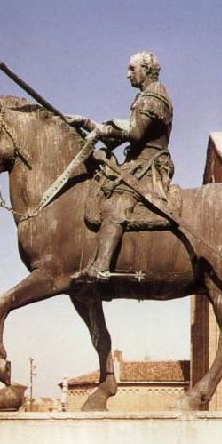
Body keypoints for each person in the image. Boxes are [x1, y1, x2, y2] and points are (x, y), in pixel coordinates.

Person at [71, 51, 174, 280]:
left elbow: (135, 132)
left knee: (118, 200)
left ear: (146, 70)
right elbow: (118, 136)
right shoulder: (145, 96)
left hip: (150, 166)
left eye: (132, 69)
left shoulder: (154, 96)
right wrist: (88, 124)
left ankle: (101, 266)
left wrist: (102, 129)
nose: (127, 74)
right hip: (138, 163)